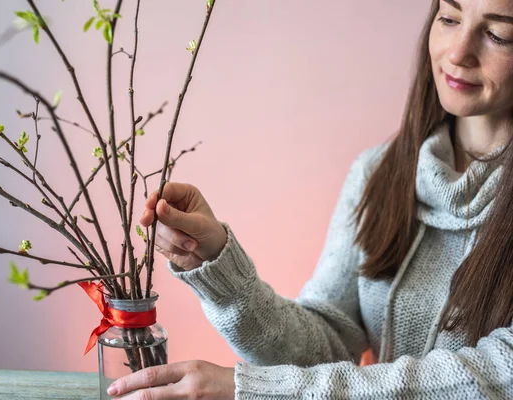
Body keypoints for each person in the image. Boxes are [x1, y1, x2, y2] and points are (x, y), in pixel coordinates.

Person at [107, 0, 513, 398]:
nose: (459, 53)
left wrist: (251, 390)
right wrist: (217, 264)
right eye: (449, 18)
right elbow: (324, 345)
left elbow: (490, 378)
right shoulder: (379, 175)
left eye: (498, 34)